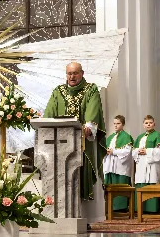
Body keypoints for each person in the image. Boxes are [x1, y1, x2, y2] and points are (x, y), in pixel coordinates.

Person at [44, 62, 106, 223]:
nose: (72, 77)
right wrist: (44, 122)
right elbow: (49, 113)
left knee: (83, 171)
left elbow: (93, 111)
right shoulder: (58, 91)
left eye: (75, 73)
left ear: (82, 73)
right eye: (69, 74)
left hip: (83, 143)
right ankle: (60, 214)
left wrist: (89, 126)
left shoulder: (91, 89)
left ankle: (86, 217)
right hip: (60, 144)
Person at [132, 115, 160, 213]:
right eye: (146, 123)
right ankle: (140, 209)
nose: (148, 124)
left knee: (152, 181)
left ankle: (153, 209)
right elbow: (133, 151)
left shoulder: (159, 135)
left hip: (152, 165)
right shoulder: (139, 137)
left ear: (154, 124)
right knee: (141, 183)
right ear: (143, 125)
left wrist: (147, 151)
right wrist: (138, 151)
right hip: (141, 164)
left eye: (150, 122)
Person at [104, 115, 134, 211]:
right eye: (114, 124)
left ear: (123, 124)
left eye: (118, 123)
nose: (116, 126)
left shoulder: (126, 137)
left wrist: (114, 152)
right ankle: (110, 207)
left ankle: (122, 207)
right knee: (109, 186)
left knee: (120, 186)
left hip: (120, 167)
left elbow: (127, 152)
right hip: (110, 166)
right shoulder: (110, 138)